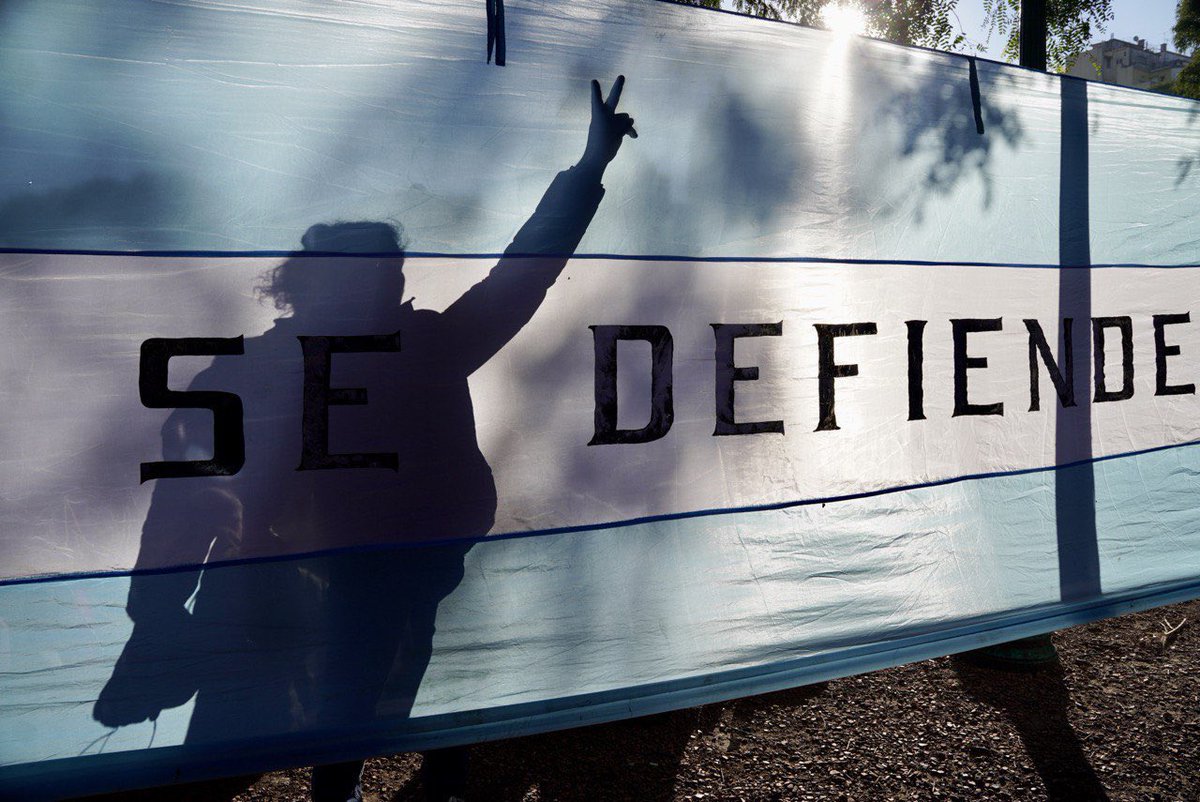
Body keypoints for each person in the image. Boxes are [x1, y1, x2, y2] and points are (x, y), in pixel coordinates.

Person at [95, 76, 636, 802]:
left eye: (390, 272)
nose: (386, 284)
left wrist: (589, 169)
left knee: (363, 701)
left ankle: (374, 780)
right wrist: (157, 608)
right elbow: (188, 495)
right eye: (365, 274)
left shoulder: (426, 345)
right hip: (283, 574)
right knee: (252, 728)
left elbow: (521, 275)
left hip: (394, 572)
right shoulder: (252, 371)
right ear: (303, 286)